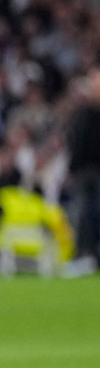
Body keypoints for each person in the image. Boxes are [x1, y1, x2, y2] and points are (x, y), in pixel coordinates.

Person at [64, 66, 100, 277]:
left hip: (94, 171)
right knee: (83, 214)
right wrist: (72, 169)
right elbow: (76, 144)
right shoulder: (83, 114)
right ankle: (85, 256)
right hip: (84, 173)